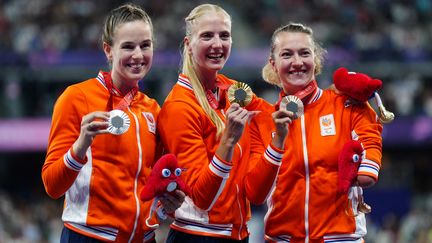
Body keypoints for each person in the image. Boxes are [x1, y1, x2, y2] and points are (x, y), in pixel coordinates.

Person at [41, 4, 184, 243]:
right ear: (108, 50)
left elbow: (157, 182)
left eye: (145, 45)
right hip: (90, 237)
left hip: (145, 238)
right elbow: (52, 186)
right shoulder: (76, 98)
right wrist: (81, 145)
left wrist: (171, 199)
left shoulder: (152, 109)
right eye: (128, 46)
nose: (138, 55)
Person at [157, 4, 294, 243]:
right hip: (197, 236)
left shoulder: (233, 92)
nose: (218, 44)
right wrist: (229, 141)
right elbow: (202, 198)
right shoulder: (179, 106)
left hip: (237, 234)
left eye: (224, 35)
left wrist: (278, 140)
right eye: (207, 36)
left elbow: (256, 193)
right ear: (188, 44)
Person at [251, 22, 383, 243]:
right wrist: (278, 140)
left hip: (340, 238)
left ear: (316, 59)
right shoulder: (263, 121)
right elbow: (256, 194)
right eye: (287, 55)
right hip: (282, 239)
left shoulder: (347, 105)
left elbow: (370, 150)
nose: (297, 62)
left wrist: (364, 172)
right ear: (273, 65)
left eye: (305, 53)